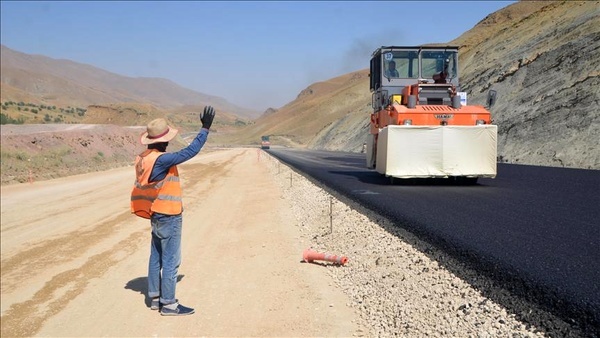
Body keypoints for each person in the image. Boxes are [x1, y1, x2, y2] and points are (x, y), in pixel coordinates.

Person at [130, 106, 216, 316]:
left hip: (155, 213)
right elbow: (190, 151)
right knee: (170, 260)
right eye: (166, 139)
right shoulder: (161, 159)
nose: (168, 142)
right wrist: (204, 128)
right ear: (159, 141)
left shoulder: (143, 158)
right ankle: (169, 304)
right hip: (169, 215)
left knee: (156, 257)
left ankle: (155, 298)